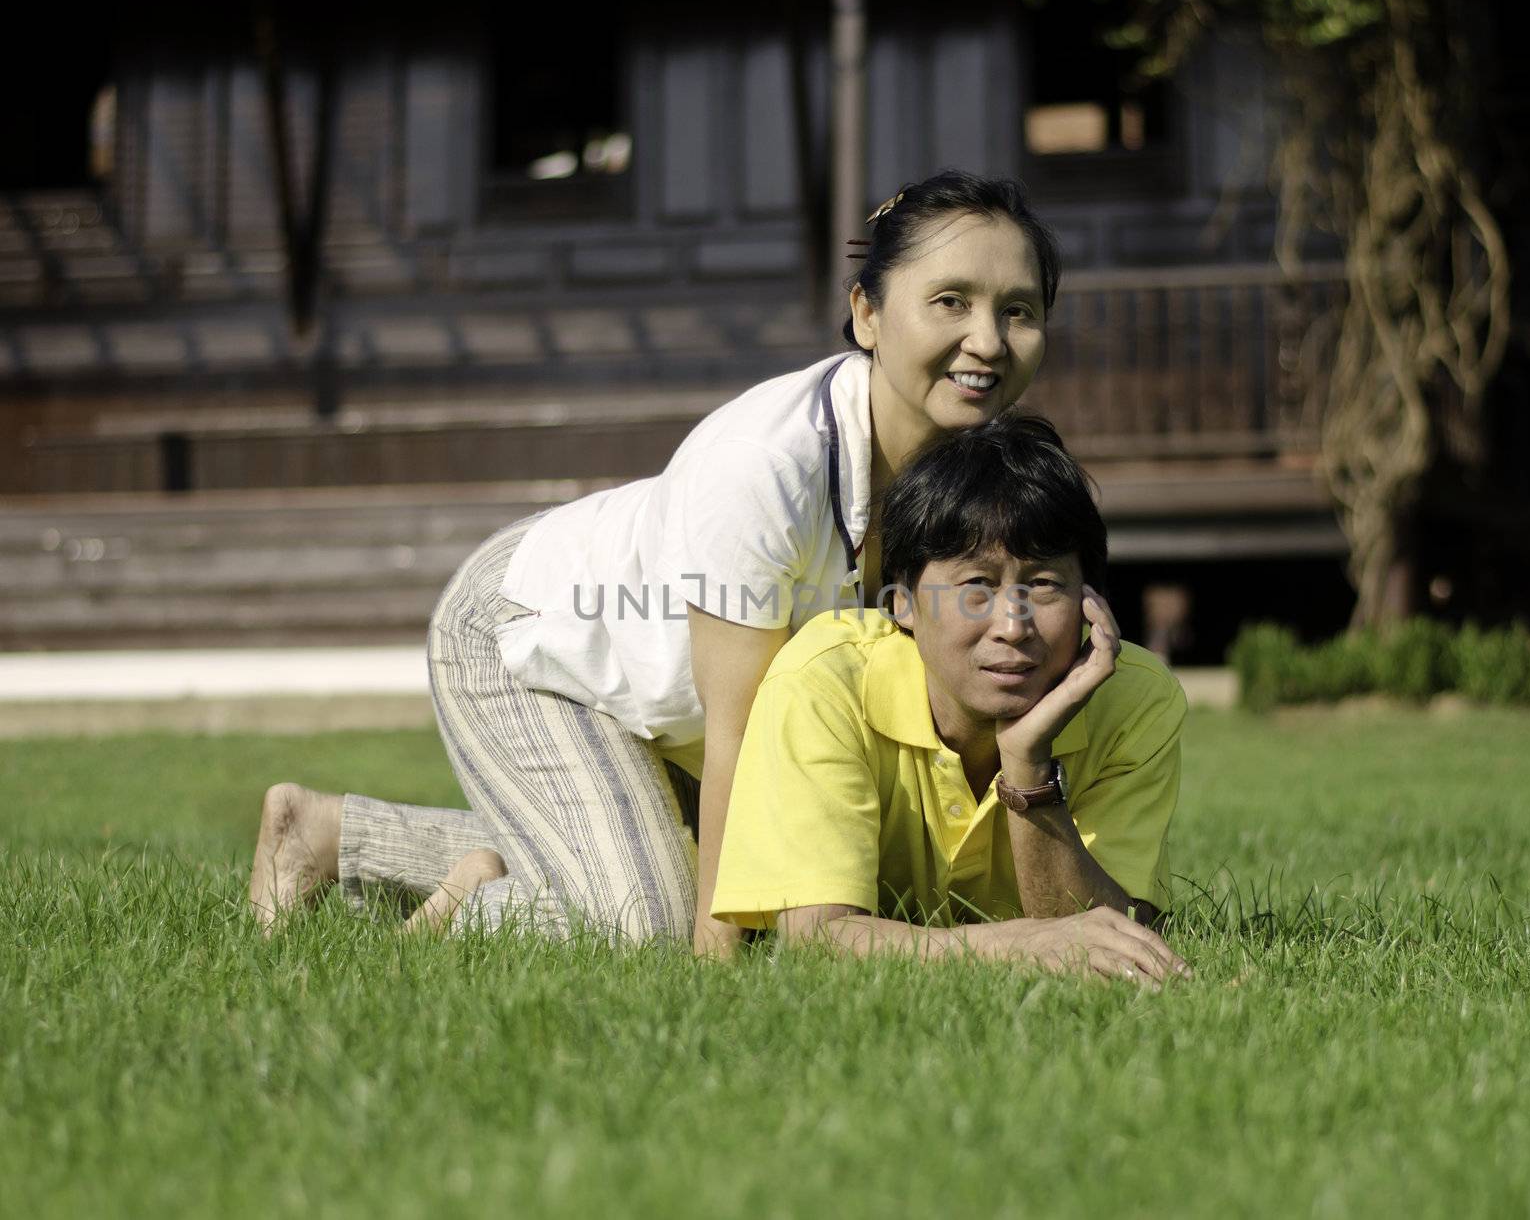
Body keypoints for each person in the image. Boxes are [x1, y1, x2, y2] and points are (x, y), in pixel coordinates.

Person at [248, 170, 1063, 955]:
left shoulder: (973, 475)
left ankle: (343, 835)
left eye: (1017, 310)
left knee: (812, 891)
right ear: (867, 314)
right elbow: (736, 731)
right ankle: (412, 878)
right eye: (951, 301)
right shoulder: (768, 462)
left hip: (674, 706)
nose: (986, 341)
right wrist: (714, 970)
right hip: (538, 637)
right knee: (647, 924)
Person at [710, 412, 1190, 985]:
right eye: (975, 587)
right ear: (902, 602)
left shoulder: (1135, 698)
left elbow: (1117, 937)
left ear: (1089, 598)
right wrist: (1015, 945)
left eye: (1042, 584)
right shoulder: (824, 682)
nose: (1013, 626)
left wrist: (1029, 766)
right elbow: (815, 940)